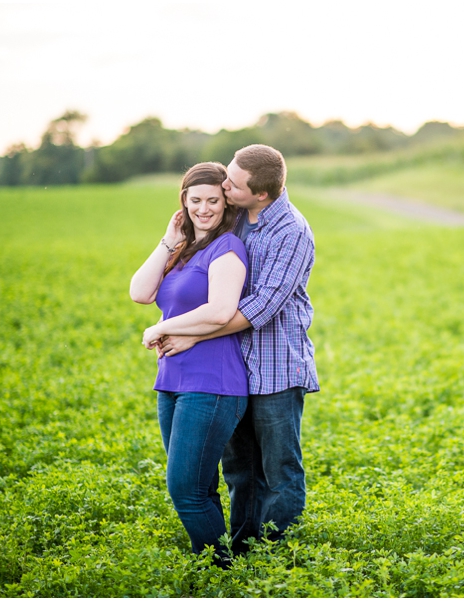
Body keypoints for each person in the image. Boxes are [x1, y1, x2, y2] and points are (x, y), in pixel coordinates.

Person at [156, 144, 319, 555]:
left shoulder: (292, 232)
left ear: (261, 194)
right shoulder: (239, 218)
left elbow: (261, 306)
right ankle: (244, 550)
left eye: (232, 183)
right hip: (233, 366)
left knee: (278, 470)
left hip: (276, 367)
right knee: (240, 470)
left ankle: (272, 555)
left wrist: (194, 335)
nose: (224, 185)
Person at [129, 162, 249, 566]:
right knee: (199, 487)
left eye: (213, 200)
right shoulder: (181, 252)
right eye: (195, 200)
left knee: (185, 489)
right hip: (172, 382)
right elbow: (140, 291)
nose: (204, 208)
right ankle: (214, 567)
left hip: (212, 383)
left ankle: (219, 570)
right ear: (183, 202)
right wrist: (168, 239)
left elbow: (220, 310)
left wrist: (159, 328)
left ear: (225, 202)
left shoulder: (227, 248)